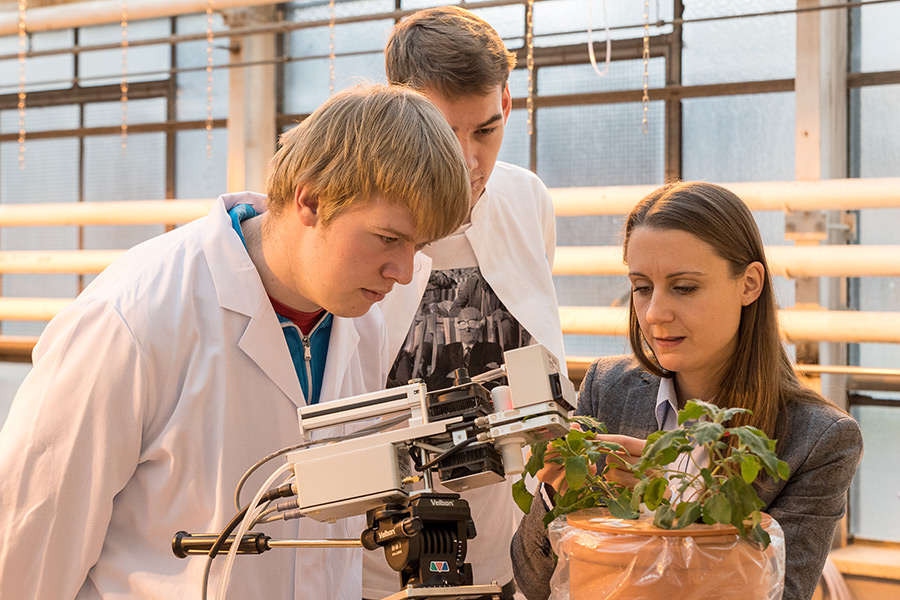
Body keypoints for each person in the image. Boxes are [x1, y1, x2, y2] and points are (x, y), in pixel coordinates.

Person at [0, 85, 470, 600]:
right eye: (388, 238)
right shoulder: (134, 319)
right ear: (310, 198)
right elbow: (27, 547)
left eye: (418, 246)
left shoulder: (363, 323)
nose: (404, 274)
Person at [510, 181, 864, 600]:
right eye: (641, 287)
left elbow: (777, 593)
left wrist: (679, 503)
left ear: (749, 284)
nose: (655, 313)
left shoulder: (818, 439)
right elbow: (534, 584)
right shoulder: (607, 389)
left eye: (685, 287)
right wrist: (555, 493)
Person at [370, 6, 567, 598]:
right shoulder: (358, 216)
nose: (467, 161)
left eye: (485, 130)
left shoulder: (525, 199)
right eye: (442, 132)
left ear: (506, 102)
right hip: (380, 556)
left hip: (509, 545)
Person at [426, 306, 504, 390]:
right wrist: (481, 370)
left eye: (472, 324)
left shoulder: (491, 348)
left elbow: (494, 377)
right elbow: (434, 382)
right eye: (462, 324)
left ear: (480, 328)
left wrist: (456, 375)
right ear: (459, 329)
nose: (467, 329)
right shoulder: (448, 350)